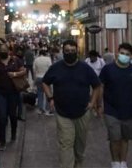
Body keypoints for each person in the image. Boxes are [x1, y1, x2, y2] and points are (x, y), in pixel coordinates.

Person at [43, 40, 101, 168]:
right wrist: (50, 98)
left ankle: (78, 163)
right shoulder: (56, 68)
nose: (70, 53)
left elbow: (97, 85)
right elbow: (45, 82)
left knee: (80, 147)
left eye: (73, 51)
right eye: (67, 51)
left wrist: (92, 103)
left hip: (82, 113)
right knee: (66, 144)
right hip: (63, 113)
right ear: (63, 52)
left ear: (77, 51)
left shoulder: (85, 69)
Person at [98, 43, 132, 168]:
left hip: (129, 110)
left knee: (125, 138)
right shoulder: (108, 69)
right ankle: (115, 162)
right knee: (114, 138)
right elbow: (101, 87)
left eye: (127, 54)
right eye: (122, 53)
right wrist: (99, 104)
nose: (124, 56)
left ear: (131, 56)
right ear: (117, 53)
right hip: (111, 110)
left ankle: (123, 162)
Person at [0, 43, 26, 151]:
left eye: (5, 50)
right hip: (0, 93)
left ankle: (13, 133)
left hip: (13, 93)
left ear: (9, 51)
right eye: (1, 50)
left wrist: (14, 74)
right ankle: (2, 141)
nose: (3, 52)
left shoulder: (15, 60)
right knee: (2, 117)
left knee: (13, 116)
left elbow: (24, 71)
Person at [33, 47, 53, 115]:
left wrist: (34, 80)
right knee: (48, 94)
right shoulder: (48, 59)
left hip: (38, 77)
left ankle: (40, 109)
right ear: (45, 53)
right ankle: (48, 110)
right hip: (46, 78)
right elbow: (50, 69)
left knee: (40, 94)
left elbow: (34, 70)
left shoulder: (36, 59)